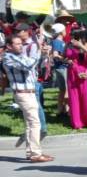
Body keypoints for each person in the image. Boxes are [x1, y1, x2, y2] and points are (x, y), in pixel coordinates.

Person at [3, 33, 53, 162]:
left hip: (30, 92)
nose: (21, 46)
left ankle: (31, 152)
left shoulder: (20, 56)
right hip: (23, 93)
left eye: (22, 44)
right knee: (35, 123)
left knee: (30, 124)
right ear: (9, 46)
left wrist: (44, 54)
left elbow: (35, 66)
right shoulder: (8, 57)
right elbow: (28, 65)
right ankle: (36, 154)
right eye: (18, 44)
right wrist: (37, 48)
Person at [64, 28, 87, 129]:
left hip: (86, 71)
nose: (73, 39)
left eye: (76, 37)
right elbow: (64, 56)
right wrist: (67, 60)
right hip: (73, 72)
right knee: (75, 97)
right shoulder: (68, 45)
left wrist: (81, 47)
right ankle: (77, 122)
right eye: (72, 37)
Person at [49, 23, 69, 117]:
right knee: (65, 90)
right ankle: (64, 109)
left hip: (61, 67)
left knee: (63, 90)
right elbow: (55, 54)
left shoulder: (59, 41)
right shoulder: (57, 41)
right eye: (65, 30)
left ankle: (62, 109)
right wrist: (65, 60)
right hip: (62, 68)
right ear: (61, 32)